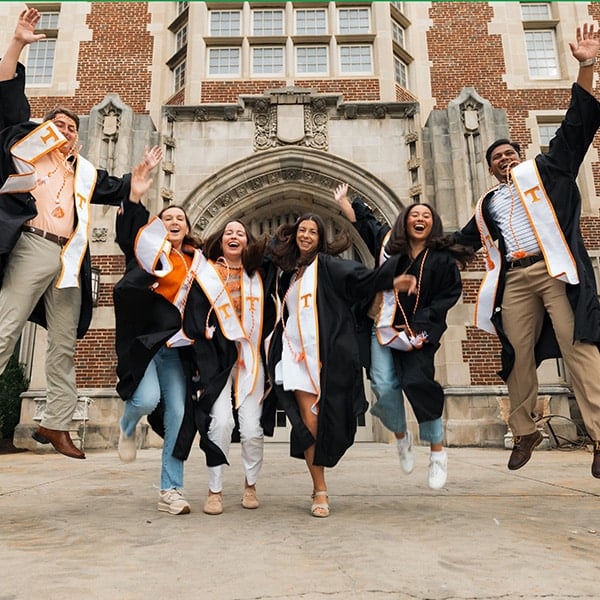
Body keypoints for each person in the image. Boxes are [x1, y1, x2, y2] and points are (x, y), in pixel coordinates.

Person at [0, 8, 161, 460]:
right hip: (31, 246)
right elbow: (8, 96)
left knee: (65, 340)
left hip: (68, 259)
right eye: (61, 126)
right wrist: (17, 42)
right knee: (5, 328)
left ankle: (56, 422)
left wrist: (140, 179)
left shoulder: (84, 171)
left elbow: (119, 187)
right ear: (46, 129)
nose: (68, 132)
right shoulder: (24, 149)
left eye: (73, 129)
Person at [453, 24, 600, 478]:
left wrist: (586, 65)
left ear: (520, 154)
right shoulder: (488, 205)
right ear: (491, 169)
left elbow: (576, 126)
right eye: (495, 157)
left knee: (580, 348)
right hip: (515, 278)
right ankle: (525, 430)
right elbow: (452, 246)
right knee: (514, 351)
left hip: (556, 271)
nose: (503, 158)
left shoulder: (548, 172)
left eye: (508, 152)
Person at [266, 213, 413, 517]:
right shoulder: (287, 274)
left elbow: (357, 277)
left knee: (329, 422)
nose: (306, 235)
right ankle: (320, 489)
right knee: (309, 425)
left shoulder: (328, 266)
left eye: (312, 232)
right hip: (295, 356)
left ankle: (321, 476)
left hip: (326, 353)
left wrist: (388, 280)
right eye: (302, 230)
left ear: (320, 239)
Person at [335, 185, 473, 489]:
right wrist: (344, 200)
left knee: (417, 383)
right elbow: (364, 222)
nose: (419, 218)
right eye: (414, 215)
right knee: (383, 385)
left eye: (426, 215)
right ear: (405, 222)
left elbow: (449, 294)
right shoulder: (389, 246)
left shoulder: (441, 258)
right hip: (381, 325)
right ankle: (401, 437)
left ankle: (437, 453)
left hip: (417, 332)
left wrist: (426, 324)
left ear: (432, 223)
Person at [114, 157, 203, 515]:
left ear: (187, 226)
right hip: (146, 343)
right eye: (168, 218)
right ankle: (127, 424)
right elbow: (128, 233)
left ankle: (171, 490)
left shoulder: (198, 261)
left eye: (180, 218)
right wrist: (134, 197)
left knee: (179, 415)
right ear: (158, 228)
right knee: (147, 399)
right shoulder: (146, 255)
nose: (175, 221)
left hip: (177, 348)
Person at [173, 221, 273, 516]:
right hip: (217, 359)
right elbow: (193, 313)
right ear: (221, 240)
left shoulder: (260, 274)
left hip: (250, 357)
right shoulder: (206, 275)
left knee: (252, 429)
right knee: (221, 423)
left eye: (240, 233)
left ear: (247, 242)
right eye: (229, 232)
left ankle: (250, 485)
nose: (234, 236)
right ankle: (214, 489)